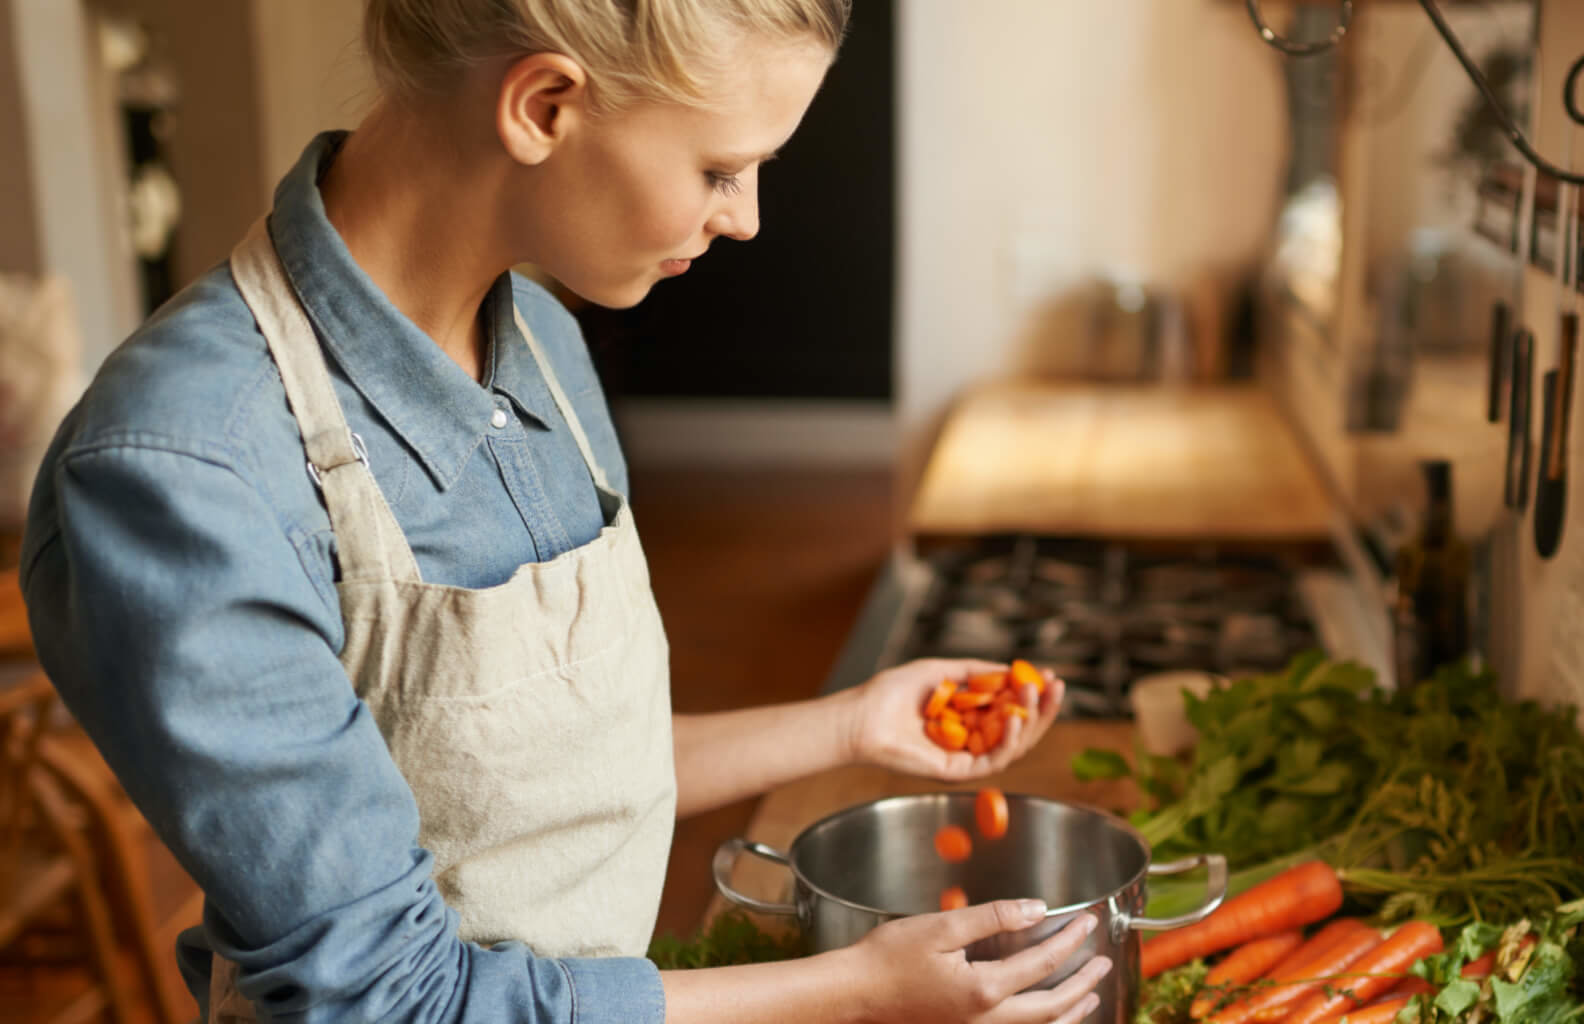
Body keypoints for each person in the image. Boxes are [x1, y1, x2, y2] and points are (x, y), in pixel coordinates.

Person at [19, 1, 1110, 1021]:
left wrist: (852, 724)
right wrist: (853, 988)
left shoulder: (543, 341)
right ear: (543, 106)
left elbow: (536, 778)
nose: (746, 219)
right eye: (720, 169)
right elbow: (387, 999)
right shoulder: (184, 467)